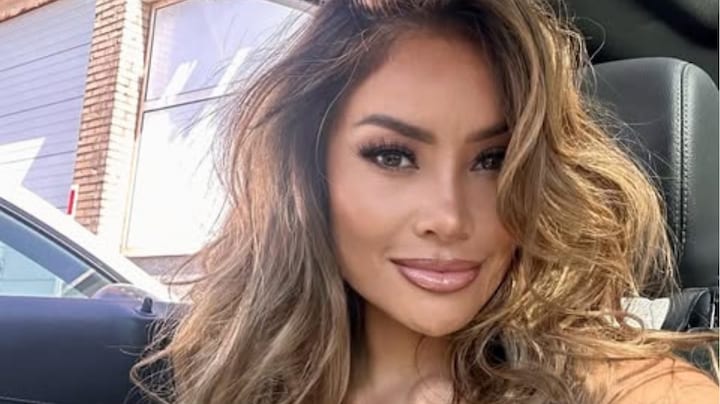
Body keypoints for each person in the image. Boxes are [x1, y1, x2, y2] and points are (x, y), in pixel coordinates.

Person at [131, 0, 719, 403]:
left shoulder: (623, 387)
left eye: (493, 160)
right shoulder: (229, 375)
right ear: (309, 170)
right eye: (392, 156)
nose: (449, 218)